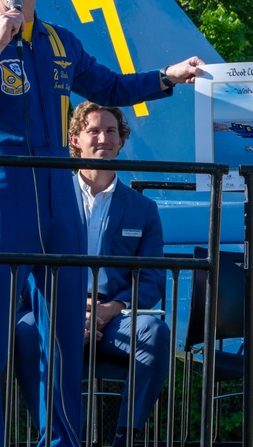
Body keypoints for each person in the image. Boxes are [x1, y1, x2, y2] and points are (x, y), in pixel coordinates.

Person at [0, 0, 204, 447]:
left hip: (59, 198)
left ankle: (62, 442)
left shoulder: (60, 42)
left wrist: (167, 77)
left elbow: (111, 87)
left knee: (61, 341)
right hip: (1, 193)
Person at [15, 102, 170, 447]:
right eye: (94, 131)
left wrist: (109, 309)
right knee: (23, 332)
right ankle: (54, 435)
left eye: (111, 131)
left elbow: (153, 279)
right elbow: (28, 266)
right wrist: (65, 310)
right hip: (53, 310)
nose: (104, 138)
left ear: (122, 140)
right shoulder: (48, 198)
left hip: (113, 317)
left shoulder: (143, 209)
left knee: (155, 334)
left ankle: (124, 437)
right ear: (75, 140)